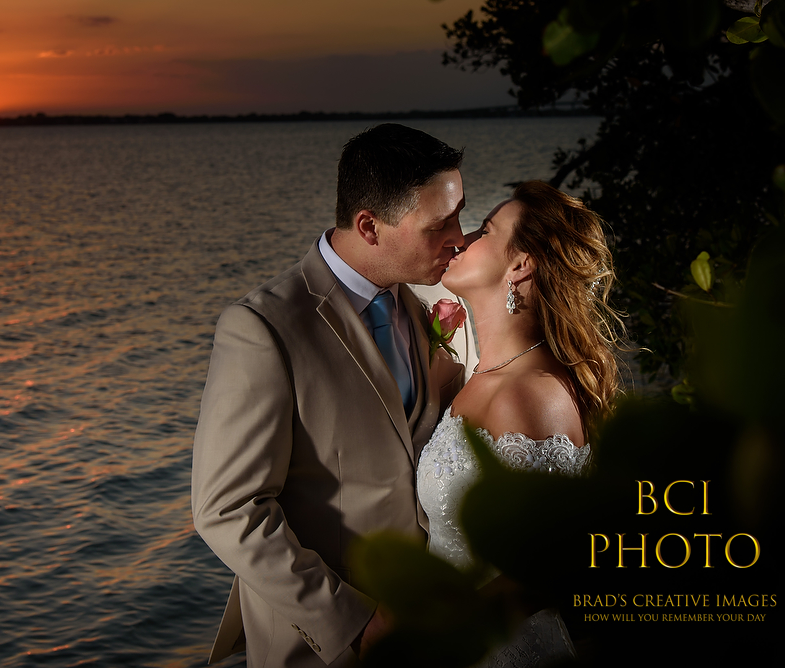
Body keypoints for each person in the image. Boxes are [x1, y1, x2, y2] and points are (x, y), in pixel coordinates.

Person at [191, 124, 472, 667]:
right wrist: (354, 622)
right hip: (326, 647)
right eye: (439, 225)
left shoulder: (426, 302)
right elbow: (227, 509)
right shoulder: (264, 328)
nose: (458, 238)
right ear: (369, 226)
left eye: (458, 215)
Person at [416, 180, 622, 666]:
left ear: (520, 265)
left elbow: (549, 567)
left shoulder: (529, 394)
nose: (463, 239)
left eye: (486, 230)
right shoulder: (484, 375)